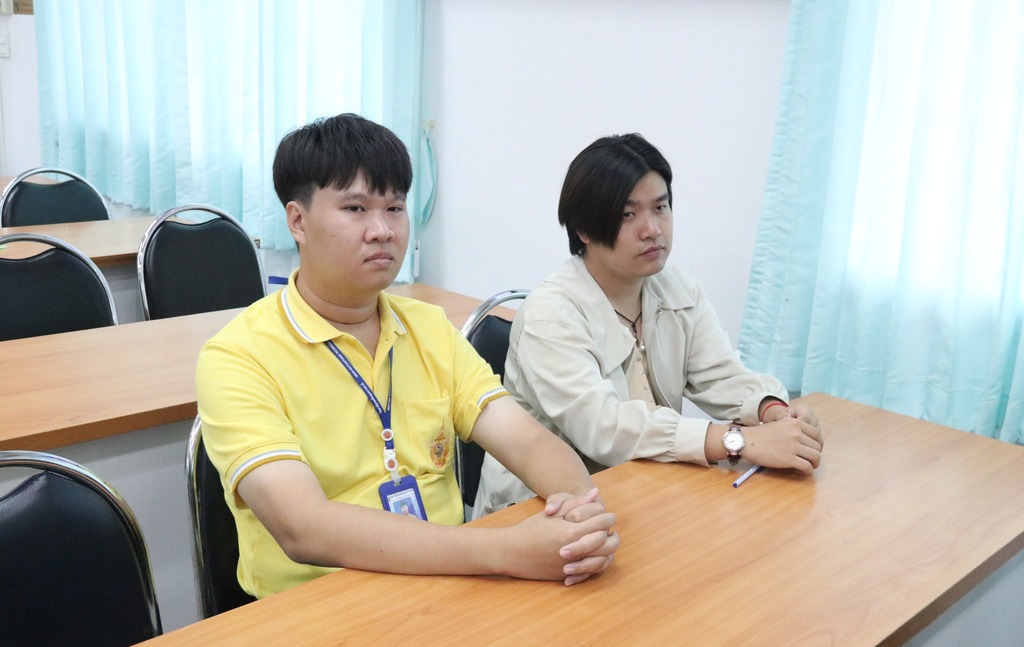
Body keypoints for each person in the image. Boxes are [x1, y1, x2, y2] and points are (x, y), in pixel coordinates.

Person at [195, 113, 618, 599]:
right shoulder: (237, 356)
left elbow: (527, 442)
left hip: (446, 585)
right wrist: (507, 551)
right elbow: (304, 527)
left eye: (394, 207)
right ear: (298, 221)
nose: (382, 230)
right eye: (355, 208)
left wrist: (580, 513)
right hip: (316, 608)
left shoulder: (429, 328)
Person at [474, 133, 823, 517]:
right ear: (584, 229)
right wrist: (737, 441)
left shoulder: (677, 289)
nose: (652, 229)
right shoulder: (550, 314)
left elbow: (722, 377)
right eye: (628, 215)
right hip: (540, 509)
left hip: (640, 489)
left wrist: (773, 412)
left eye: (661, 207)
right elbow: (605, 429)